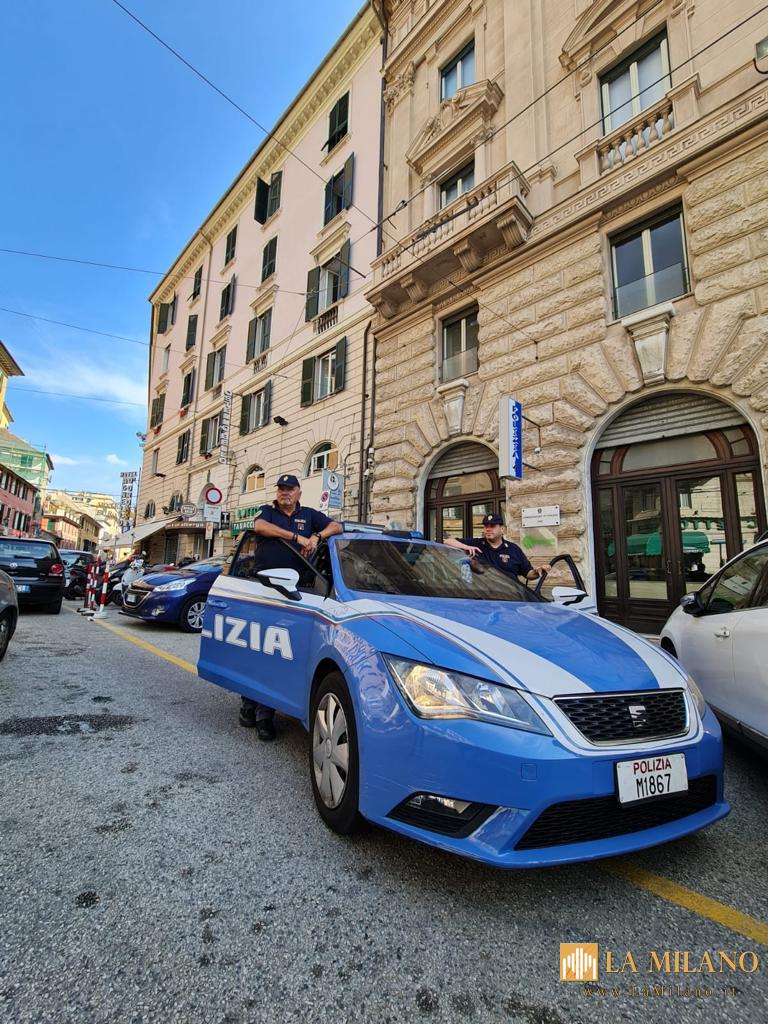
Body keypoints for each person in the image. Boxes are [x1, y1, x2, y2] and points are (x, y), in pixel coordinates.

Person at [239, 473, 343, 741]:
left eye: (290, 489)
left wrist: (317, 536)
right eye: (281, 489)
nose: (284, 493)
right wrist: (298, 537)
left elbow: (338, 527)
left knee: (277, 653)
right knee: (256, 649)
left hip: (296, 593)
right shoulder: (268, 511)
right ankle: (250, 705)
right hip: (263, 589)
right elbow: (261, 528)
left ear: (299, 492)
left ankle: (263, 710)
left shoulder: (309, 514)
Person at [444, 514, 551, 582]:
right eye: (486, 526)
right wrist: (466, 547)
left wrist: (538, 571)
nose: (488, 529)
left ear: (502, 529)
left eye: (492, 526)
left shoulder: (513, 549)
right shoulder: (476, 544)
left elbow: (528, 573)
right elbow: (447, 541)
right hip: (482, 601)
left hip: (510, 599)